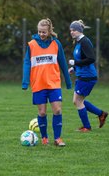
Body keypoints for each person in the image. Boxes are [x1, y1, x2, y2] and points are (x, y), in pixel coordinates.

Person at [22, 18, 72, 146]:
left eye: (44, 32)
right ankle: (44, 138)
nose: (41, 34)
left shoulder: (56, 44)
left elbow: (62, 63)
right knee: (42, 112)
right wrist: (25, 81)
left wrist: (68, 80)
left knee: (57, 110)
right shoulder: (32, 45)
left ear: (49, 31)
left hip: (54, 83)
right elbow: (27, 63)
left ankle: (58, 138)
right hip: (38, 84)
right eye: (39, 31)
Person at [68, 20, 108, 132]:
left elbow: (91, 59)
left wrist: (75, 63)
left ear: (79, 31)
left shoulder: (84, 41)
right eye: (70, 30)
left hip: (88, 77)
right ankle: (101, 114)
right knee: (78, 101)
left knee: (77, 101)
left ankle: (87, 126)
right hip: (82, 75)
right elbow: (81, 59)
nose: (72, 32)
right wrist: (74, 68)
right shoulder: (78, 42)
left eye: (74, 30)